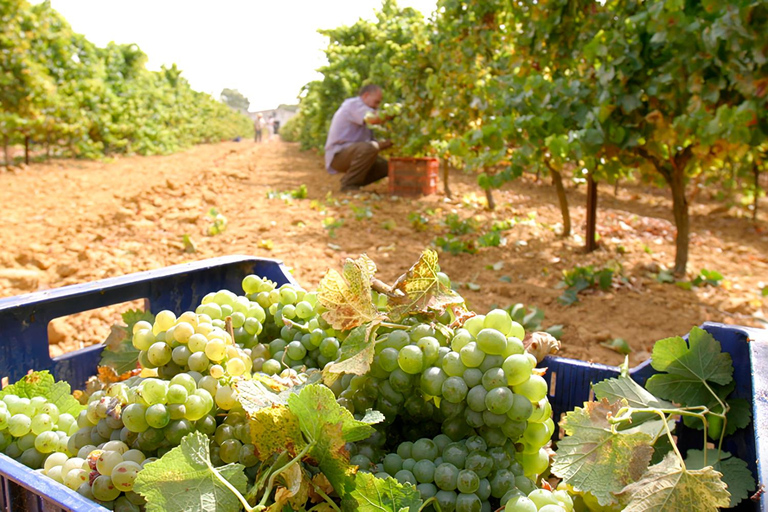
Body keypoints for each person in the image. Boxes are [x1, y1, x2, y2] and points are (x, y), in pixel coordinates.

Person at [324, 84, 393, 192]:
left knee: (387, 167)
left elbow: (370, 143)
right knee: (371, 147)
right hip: (338, 156)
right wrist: (395, 112)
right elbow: (374, 119)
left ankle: (349, 180)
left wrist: (389, 143)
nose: (377, 106)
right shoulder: (354, 105)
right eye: (376, 102)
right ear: (366, 96)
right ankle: (349, 185)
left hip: (351, 153)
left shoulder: (363, 112)